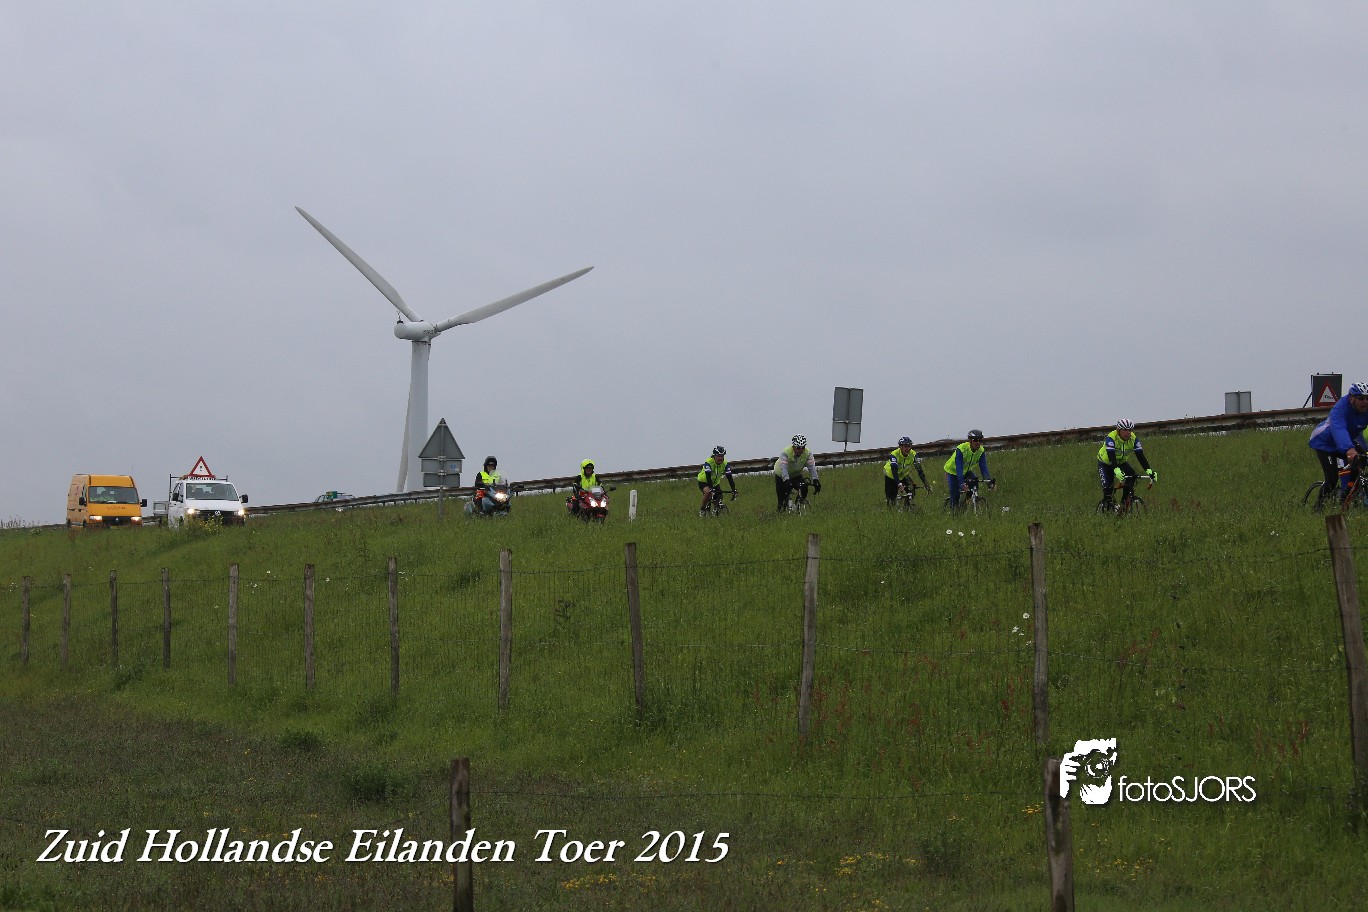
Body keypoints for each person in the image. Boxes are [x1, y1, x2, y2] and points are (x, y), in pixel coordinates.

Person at [1309, 382, 1368, 506]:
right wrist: (1349, 448)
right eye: (1361, 398)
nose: (1365, 402)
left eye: (1367, 398)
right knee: (1332, 479)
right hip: (1325, 443)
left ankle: (1345, 498)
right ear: (1351, 398)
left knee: (1362, 462)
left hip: (1347, 441)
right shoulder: (1340, 408)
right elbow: (1339, 428)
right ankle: (1318, 508)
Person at [1097, 419, 1156, 511]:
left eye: (1130, 430)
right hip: (1106, 463)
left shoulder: (1134, 439)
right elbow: (1111, 455)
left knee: (1131, 474)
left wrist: (1148, 470)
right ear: (1118, 430)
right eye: (1125, 430)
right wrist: (1116, 469)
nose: (1128, 433)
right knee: (1108, 490)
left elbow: (1140, 455)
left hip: (1121, 462)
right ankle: (1108, 509)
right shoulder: (1111, 437)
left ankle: (1123, 503)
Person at [943, 429, 995, 509]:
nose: (978, 442)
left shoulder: (981, 451)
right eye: (975, 440)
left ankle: (965, 504)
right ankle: (954, 512)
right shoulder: (961, 449)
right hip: (952, 471)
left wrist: (988, 481)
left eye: (980, 440)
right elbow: (959, 467)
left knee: (974, 482)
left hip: (965, 471)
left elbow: (983, 467)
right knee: (955, 494)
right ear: (970, 441)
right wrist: (961, 483)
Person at [774, 435, 820, 512]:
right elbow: (784, 468)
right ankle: (781, 512)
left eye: (803, 447)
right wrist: (786, 480)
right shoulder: (785, 453)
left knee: (804, 489)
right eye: (798, 448)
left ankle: (797, 508)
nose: (801, 450)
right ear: (793, 447)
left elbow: (812, 468)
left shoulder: (808, 453)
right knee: (782, 500)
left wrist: (816, 480)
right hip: (781, 475)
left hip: (796, 475)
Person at [884, 436, 930, 507]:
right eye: (905, 446)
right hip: (891, 476)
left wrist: (926, 484)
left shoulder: (913, 454)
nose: (907, 449)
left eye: (909, 446)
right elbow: (894, 471)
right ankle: (891, 509)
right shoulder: (894, 455)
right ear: (900, 447)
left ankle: (907, 507)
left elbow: (919, 471)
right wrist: (898, 483)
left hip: (903, 475)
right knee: (891, 498)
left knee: (911, 489)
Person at [697, 446, 737, 516]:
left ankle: (715, 510)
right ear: (714, 456)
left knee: (719, 495)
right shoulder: (708, 463)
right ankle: (702, 510)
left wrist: (733, 489)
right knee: (708, 492)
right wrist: (711, 489)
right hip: (703, 481)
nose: (720, 458)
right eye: (718, 456)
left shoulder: (725, 464)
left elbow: (730, 478)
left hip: (715, 483)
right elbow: (708, 477)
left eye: (722, 456)